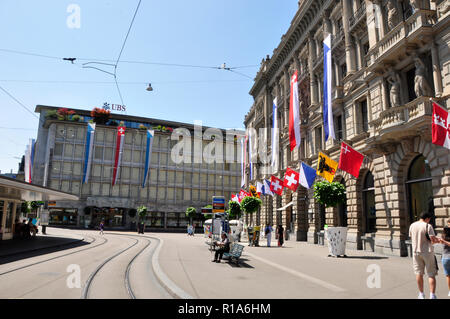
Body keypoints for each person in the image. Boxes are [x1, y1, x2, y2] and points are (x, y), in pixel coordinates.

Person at [409, 211, 440, 299]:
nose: (429, 221)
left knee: (418, 273)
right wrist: (439, 240)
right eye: (429, 219)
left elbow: (412, 237)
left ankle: (421, 294)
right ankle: (432, 295)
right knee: (431, 274)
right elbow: (433, 240)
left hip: (415, 252)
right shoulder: (428, 226)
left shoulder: (412, 225)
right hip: (427, 252)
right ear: (427, 218)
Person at [438, 218, 450, 297]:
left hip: (445, 257)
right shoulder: (444, 235)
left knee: (448, 275)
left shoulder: (444, 234)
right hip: (446, 257)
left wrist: (442, 241)